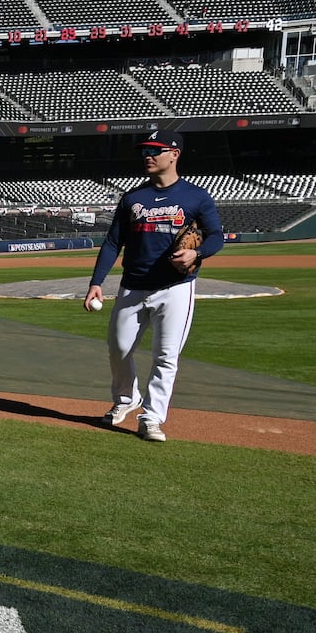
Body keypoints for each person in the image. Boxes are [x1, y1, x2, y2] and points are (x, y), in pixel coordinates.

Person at [86, 131, 223, 442]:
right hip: (132, 286)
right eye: (145, 150)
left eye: (155, 150)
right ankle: (126, 399)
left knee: (166, 355)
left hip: (176, 287)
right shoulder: (133, 198)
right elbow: (112, 243)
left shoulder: (196, 197)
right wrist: (96, 282)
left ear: (174, 154)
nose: (148, 155)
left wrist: (196, 253)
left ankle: (152, 416)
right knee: (119, 349)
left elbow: (215, 236)